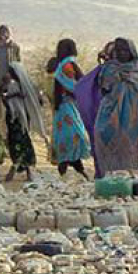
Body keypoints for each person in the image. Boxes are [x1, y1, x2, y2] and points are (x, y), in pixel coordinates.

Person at [92, 38, 138, 177]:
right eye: (118, 50)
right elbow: (103, 89)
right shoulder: (109, 68)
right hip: (109, 112)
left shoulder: (137, 69)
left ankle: (127, 177)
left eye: (125, 50)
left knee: (127, 147)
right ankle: (107, 176)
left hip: (130, 115)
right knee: (104, 139)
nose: (121, 53)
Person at [51, 38, 91, 178]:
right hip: (68, 106)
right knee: (75, 135)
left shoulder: (62, 66)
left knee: (67, 137)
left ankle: (71, 169)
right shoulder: (68, 65)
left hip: (62, 108)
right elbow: (81, 84)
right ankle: (74, 169)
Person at [1, 62, 45, 182]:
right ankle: (28, 170)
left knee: (16, 141)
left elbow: (7, 103)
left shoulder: (12, 86)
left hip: (14, 118)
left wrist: (9, 96)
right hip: (25, 118)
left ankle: (16, 165)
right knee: (24, 140)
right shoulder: (29, 86)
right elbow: (40, 101)